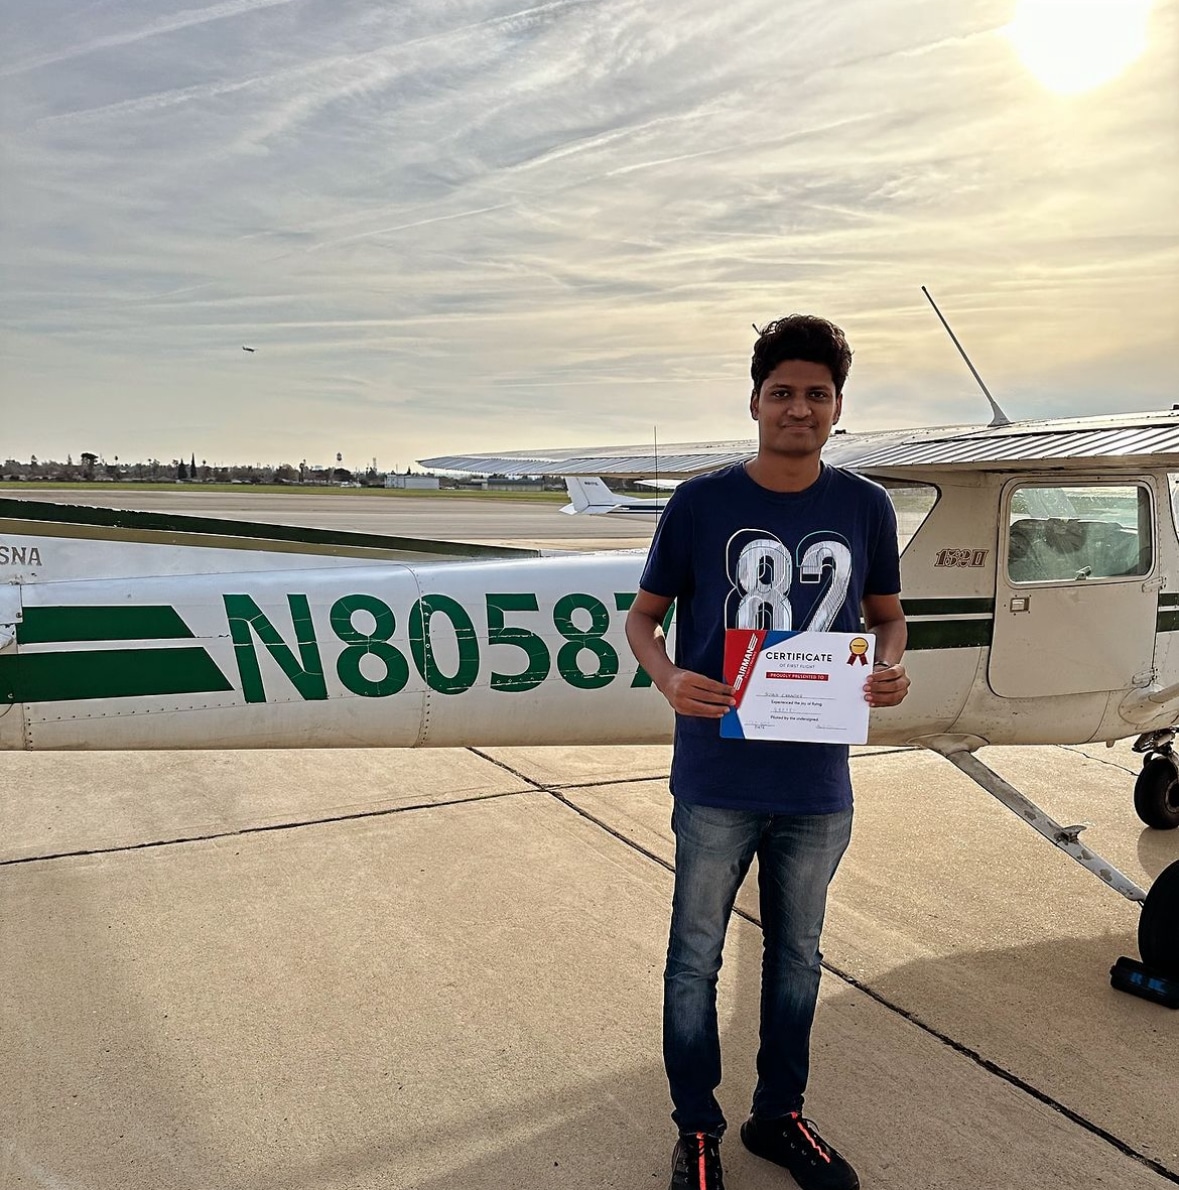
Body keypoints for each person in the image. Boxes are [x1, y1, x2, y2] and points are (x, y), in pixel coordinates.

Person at [625, 315, 910, 1190]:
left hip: (816, 781)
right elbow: (643, 619)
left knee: (796, 959)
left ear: (837, 408)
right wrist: (669, 678)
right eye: (781, 392)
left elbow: (886, 617)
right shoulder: (700, 502)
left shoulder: (865, 505)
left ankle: (777, 1116)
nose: (798, 408)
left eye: (816, 394)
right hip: (717, 773)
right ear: (753, 402)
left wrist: (888, 669)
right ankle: (696, 1128)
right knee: (694, 960)